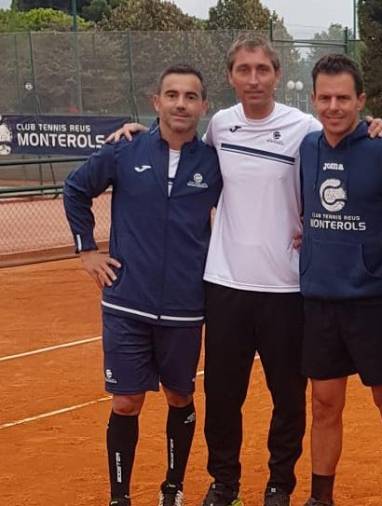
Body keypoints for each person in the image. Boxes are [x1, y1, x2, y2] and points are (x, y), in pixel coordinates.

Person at [109, 35, 382, 506]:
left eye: (263, 69)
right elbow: (181, 148)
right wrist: (139, 131)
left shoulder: (305, 128)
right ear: (231, 77)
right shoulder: (220, 125)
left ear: (277, 75)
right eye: (244, 69)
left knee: (288, 397)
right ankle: (225, 483)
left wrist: (378, 125)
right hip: (224, 285)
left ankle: (280, 483)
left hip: (287, 285)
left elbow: (343, 155)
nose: (254, 78)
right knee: (223, 396)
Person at [63, 64, 221, 506]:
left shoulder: (213, 161)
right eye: (171, 95)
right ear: (156, 102)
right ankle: (120, 496)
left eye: (190, 97)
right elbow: (75, 189)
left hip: (185, 308)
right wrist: (86, 251)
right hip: (127, 302)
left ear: (203, 106)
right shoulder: (125, 149)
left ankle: (172, 488)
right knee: (126, 402)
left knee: (180, 394)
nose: (180, 104)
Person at [298, 53, 382, 506]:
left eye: (343, 98)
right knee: (324, 404)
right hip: (319, 303)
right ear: (312, 99)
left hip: (374, 304)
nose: (333, 107)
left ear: (361, 100)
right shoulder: (307, 147)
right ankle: (320, 497)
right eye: (324, 98)